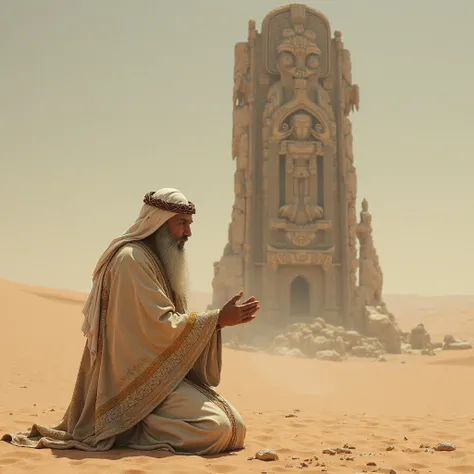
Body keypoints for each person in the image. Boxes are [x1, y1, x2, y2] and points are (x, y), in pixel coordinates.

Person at [2, 188, 259, 454]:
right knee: (216, 429)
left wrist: (216, 321)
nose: (188, 233)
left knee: (235, 426)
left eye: (189, 224)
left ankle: (134, 427)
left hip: (159, 374)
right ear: (159, 221)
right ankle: (126, 429)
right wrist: (217, 319)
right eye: (182, 223)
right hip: (129, 383)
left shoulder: (158, 260)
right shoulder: (131, 261)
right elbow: (157, 327)